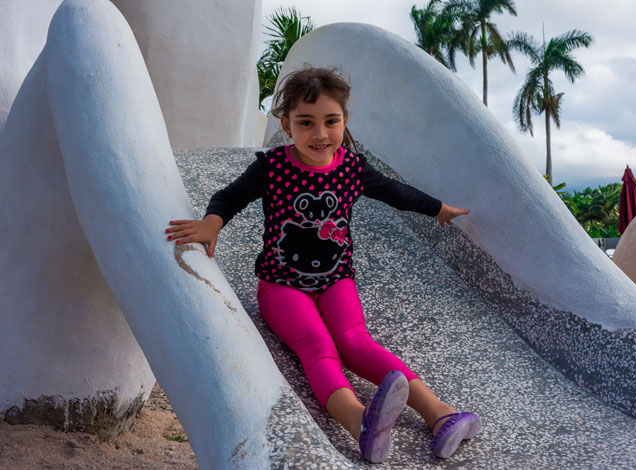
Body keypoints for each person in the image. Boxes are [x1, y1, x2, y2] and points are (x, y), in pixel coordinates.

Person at [166, 66, 480, 463]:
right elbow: (229, 197)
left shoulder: (351, 168)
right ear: (286, 123)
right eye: (306, 123)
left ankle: (441, 415)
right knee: (318, 345)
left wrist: (438, 209)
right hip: (281, 286)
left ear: (345, 121)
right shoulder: (273, 167)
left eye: (331, 121)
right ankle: (359, 422)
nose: (320, 134)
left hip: (336, 281)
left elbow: (395, 192)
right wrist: (211, 224)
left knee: (355, 342)